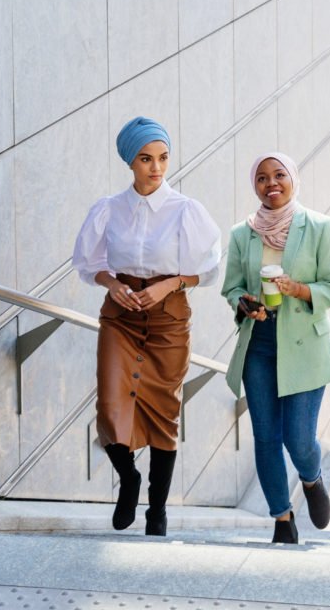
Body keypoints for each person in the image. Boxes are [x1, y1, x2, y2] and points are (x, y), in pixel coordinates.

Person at [72, 116, 221, 536]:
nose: (156, 168)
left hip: (168, 317)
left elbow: (208, 269)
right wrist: (111, 283)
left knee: (163, 411)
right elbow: (89, 263)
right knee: (110, 403)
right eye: (146, 159)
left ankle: (157, 511)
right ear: (130, 162)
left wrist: (170, 285)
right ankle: (129, 479)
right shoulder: (108, 209)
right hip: (120, 315)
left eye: (163, 158)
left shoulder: (186, 210)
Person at [221, 152, 330, 544]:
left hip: (305, 345)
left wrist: (300, 289)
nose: (271, 183)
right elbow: (232, 288)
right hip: (258, 344)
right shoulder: (243, 234)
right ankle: (281, 517)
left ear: (293, 179)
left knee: (297, 438)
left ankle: (311, 478)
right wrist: (245, 303)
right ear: (254, 185)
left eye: (279, 175)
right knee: (265, 436)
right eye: (262, 177)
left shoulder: (321, 227)